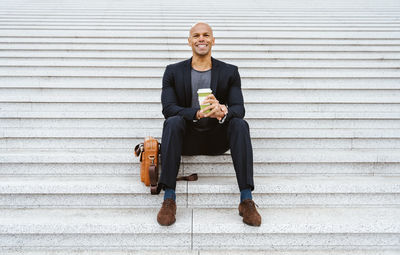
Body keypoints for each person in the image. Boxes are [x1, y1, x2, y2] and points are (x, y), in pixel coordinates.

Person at [157, 22, 261, 227]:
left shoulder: (230, 71)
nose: (201, 39)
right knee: (172, 121)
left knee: (240, 124)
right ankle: (169, 198)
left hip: (217, 138)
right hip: (186, 138)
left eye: (206, 35)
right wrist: (195, 113)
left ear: (213, 40)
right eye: (196, 35)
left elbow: (239, 108)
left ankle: (246, 199)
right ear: (189, 41)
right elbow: (168, 108)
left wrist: (223, 111)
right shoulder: (172, 71)